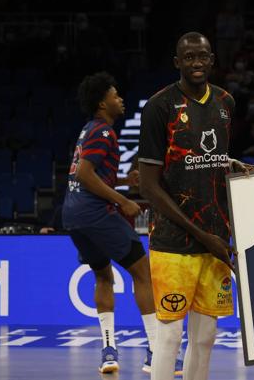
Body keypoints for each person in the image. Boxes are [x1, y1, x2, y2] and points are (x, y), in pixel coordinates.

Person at [138, 32, 253, 380]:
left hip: (218, 237)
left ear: (212, 59)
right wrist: (201, 235)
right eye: (189, 57)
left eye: (202, 56)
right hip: (174, 241)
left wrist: (230, 164)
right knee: (169, 335)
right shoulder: (159, 107)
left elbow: (205, 158)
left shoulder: (225, 102)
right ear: (177, 63)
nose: (196, 63)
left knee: (205, 337)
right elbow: (148, 185)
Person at [62, 72, 162, 374]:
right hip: (96, 214)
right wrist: (123, 201)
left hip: (74, 216)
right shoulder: (105, 132)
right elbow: (84, 175)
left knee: (103, 277)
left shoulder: (88, 130)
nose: (120, 99)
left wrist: (121, 180)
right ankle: (156, 351)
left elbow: (85, 174)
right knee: (143, 273)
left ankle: (108, 352)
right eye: (115, 95)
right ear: (102, 103)